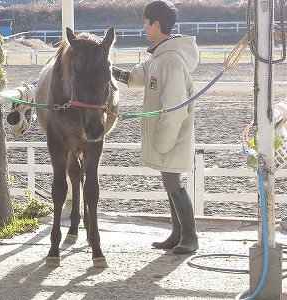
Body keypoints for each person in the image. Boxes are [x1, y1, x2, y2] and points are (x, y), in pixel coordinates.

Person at [112, 0, 199, 254]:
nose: (144, 26)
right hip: (166, 136)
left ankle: (190, 236)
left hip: (171, 137)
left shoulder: (171, 60)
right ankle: (178, 233)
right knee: (169, 180)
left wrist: (163, 140)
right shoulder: (159, 56)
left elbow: (175, 107)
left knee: (173, 180)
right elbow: (134, 77)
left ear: (156, 24)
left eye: (146, 21)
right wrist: (108, 69)